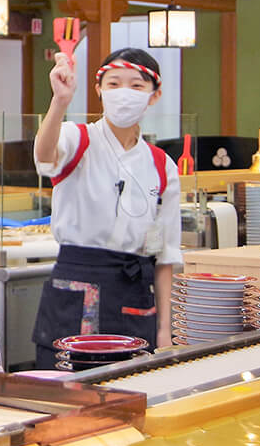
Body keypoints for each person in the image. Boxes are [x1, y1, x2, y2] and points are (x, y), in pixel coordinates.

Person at [31, 47, 181, 367]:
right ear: (99, 90)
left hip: (135, 296)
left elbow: (165, 255)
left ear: (154, 96)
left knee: (130, 396)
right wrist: (60, 102)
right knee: (69, 402)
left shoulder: (161, 164)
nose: (124, 93)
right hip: (75, 288)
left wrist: (166, 331)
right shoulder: (77, 138)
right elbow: (45, 157)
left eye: (137, 85)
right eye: (113, 84)